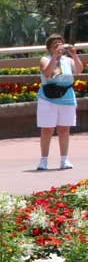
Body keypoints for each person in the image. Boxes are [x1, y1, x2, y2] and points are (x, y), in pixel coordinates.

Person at [37, 34, 82, 170]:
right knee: (47, 129)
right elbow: (47, 73)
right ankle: (43, 160)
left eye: (60, 42)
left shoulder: (68, 60)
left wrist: (74, 55)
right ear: (49, 47)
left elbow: (79, 70)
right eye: (55, 43)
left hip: (66, 96)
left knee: (64, 129)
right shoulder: (45, 59)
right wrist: (55, 57)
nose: (58, 45)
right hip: (48, 97)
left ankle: (64, 159)